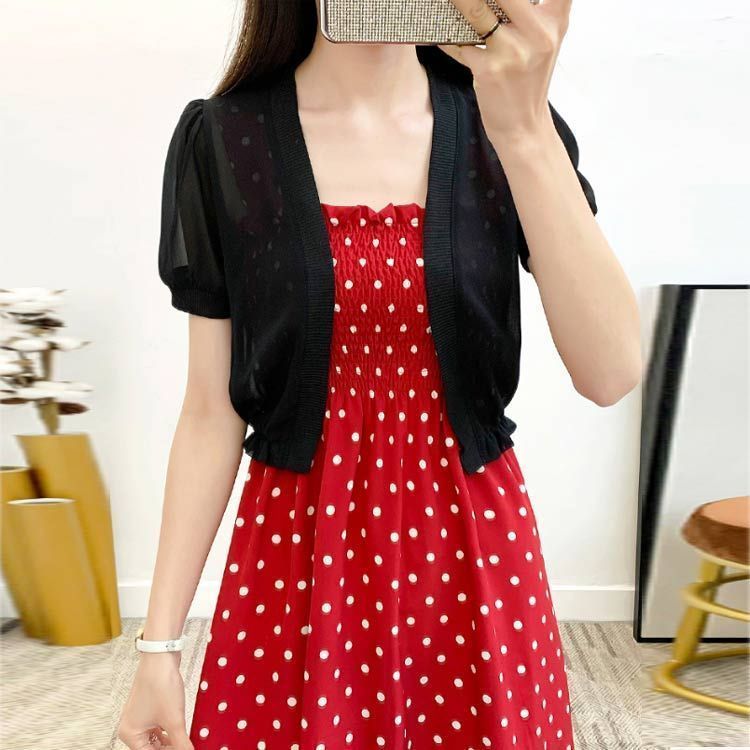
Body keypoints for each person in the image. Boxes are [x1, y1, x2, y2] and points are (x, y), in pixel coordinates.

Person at [118, 0, 641, 748]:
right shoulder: (226, 137)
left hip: (471, 556)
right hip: (295, 564)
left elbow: (611, 371)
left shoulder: (509, 125)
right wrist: (159, 647)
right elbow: (210, 410)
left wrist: (524, 129)